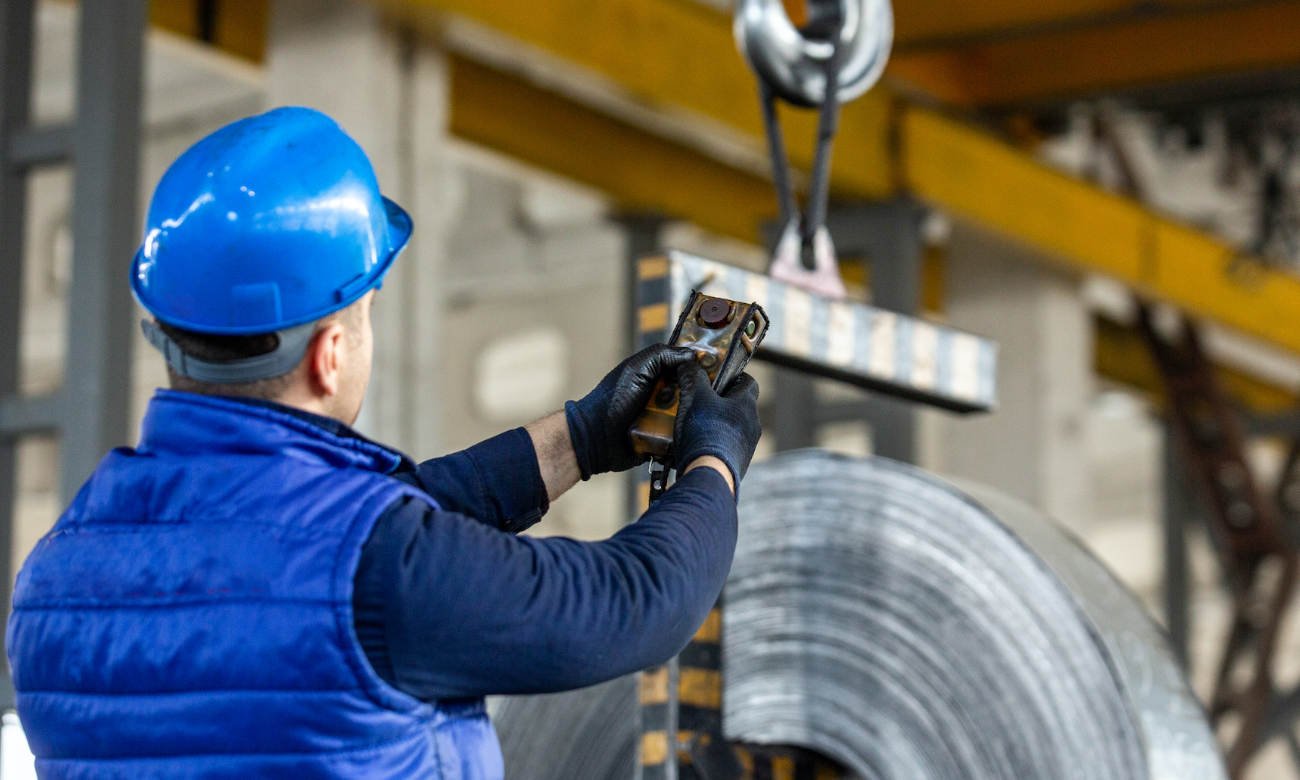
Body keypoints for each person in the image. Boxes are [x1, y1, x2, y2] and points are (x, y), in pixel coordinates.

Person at [5, 107, 761, 778]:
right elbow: (632, 604)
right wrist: (713, 459)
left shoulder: (56, 572)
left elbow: (314, 540)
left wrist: (583, 436)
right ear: (329, 353)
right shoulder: (380, 571)